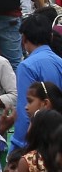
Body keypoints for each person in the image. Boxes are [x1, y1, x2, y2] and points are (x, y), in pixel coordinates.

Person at [11, 14, 62, 152]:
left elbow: (24, 110)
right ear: (50, 37)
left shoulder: (27, 66)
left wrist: (17, 146)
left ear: (24, 39)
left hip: (36, 144)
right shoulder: (59, 62)